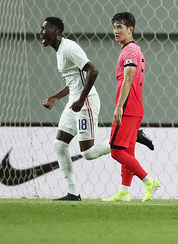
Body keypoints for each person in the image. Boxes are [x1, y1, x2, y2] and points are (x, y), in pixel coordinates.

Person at [40, 17, 114, 201]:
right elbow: (74, 81)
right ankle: (73, 193)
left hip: (85, 102)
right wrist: (56, 97)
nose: (40, 32)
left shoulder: (69, 48)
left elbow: (93, 71)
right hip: (74, 101)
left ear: (55, 32)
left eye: (44, 29)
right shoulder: (59, 52)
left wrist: (82, 99)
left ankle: (128, 137)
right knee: (59, 145)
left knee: (88, 154)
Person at [102, 12, 160, 202]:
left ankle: (148, 181)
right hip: (135, 106)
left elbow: (128, 79)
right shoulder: (132, 50)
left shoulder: (130, 51)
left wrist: (119, 106)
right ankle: (125, 191)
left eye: (120, 27)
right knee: (128, 151)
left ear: (130, 29)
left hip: (127, 107)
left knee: (116, 151)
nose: (116, 31)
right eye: (114, 27)